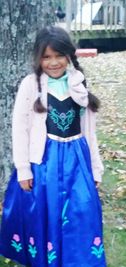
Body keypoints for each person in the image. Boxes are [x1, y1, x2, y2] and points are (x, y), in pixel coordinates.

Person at [0, 26, 107, 267]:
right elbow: (20, 128)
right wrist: (24, 169)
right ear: (38, 58)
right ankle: (48, 259)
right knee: (46, 212)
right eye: (47, 57)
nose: (54, 62)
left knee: (81, 211)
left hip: (77, 159)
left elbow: (90, 132)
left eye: (59, 55)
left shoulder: (79, 84)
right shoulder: (30, 85)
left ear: (69, 55)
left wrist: (95, 167)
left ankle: (77, 260)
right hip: (44, 161)